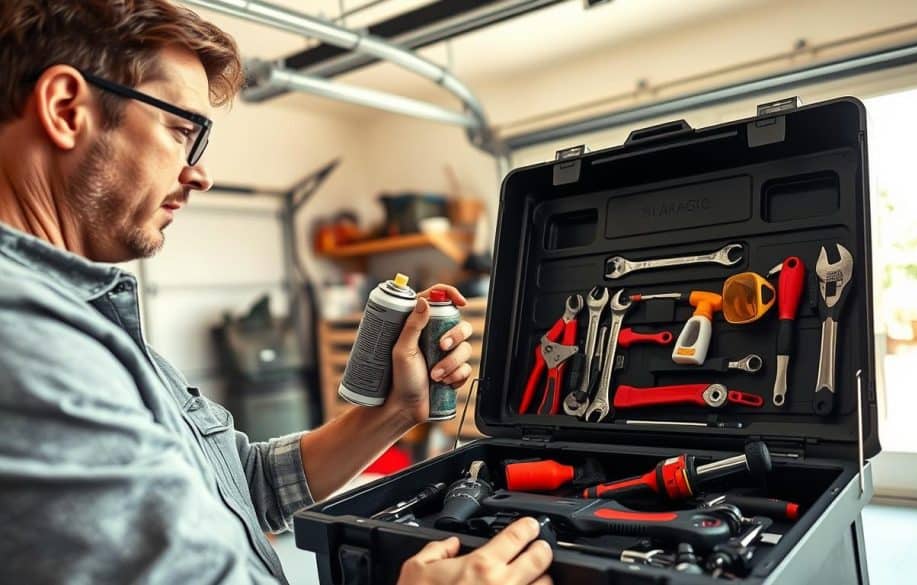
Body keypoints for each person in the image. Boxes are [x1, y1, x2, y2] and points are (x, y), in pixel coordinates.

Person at [0, 2, 553, 584]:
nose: (199, 173)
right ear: (66, 110)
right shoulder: (24, 336)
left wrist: (395, 411)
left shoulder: (85, 315)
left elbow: (245, 486)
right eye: (183, 130)